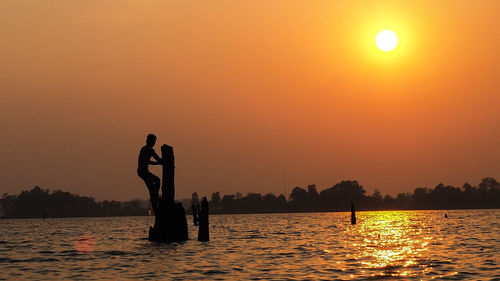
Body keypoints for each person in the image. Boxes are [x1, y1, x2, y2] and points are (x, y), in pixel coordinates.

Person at [137, 134, 163, 215]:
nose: (154, 143)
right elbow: (154, 159)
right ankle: (155, 199)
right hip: (143, 172)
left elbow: (156, 159)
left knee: (152, 189)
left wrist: (159, 162)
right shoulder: (148, 149)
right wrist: (159, 162)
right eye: (154, 141)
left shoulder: (144, 148)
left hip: (141, 172)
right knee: (157, 181)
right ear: (150, 141)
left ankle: (155, 199)